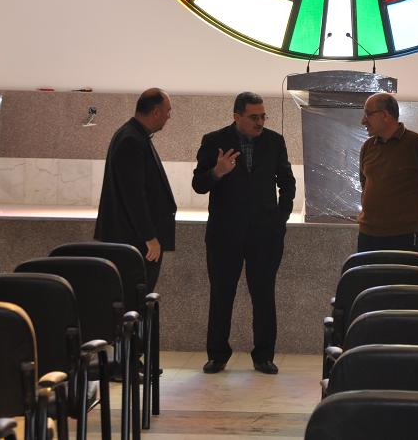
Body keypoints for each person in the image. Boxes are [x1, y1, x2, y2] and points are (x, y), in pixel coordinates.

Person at [193, 92, 295, 375]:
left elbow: (287, 183)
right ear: (237, 116)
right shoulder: (214, 141)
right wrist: (217, 172)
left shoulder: (274, 141)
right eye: (253, 117)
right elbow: (199, 185)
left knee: (263, 295)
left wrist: (280, 219)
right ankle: (217, 355)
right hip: (224, 234)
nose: (260, 122)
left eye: (263, 116)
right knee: (221, 294)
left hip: (265, 234)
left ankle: (263, 356)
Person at [95, 88, 176, 291]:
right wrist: (150, 237)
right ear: (156, 112)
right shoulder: (131, 139)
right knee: (136, 298)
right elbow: (134, 195)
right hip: (135, 243)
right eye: (168, 111)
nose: (169, 117)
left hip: (134, 241)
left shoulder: (134, 135)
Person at [357, 92, 418, 253]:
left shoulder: (417, 144)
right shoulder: (368, 147)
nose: (363, 120)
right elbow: (365, 183)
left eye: (368, 114)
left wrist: (410, 212)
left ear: (385, 115)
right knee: (368, 271)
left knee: (403, 271)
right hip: (368, 234)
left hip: (405, 236)